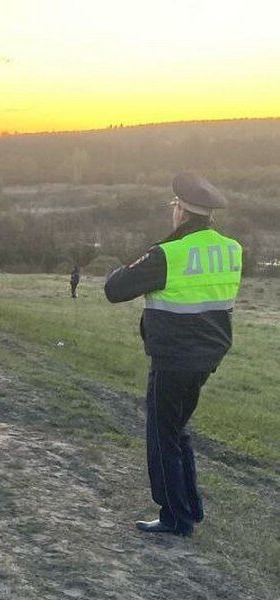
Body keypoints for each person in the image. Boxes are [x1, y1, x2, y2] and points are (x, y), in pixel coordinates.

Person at [104, 172, 242, 537]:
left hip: (173, 358)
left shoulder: (170, 253)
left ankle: (174, 517)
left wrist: (150, 254)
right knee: (177, 430)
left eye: (174, 207)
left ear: (181, 210)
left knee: (162, 436)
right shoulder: (230, 248)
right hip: (207, 357)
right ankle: (190, 508)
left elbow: (115, 289)